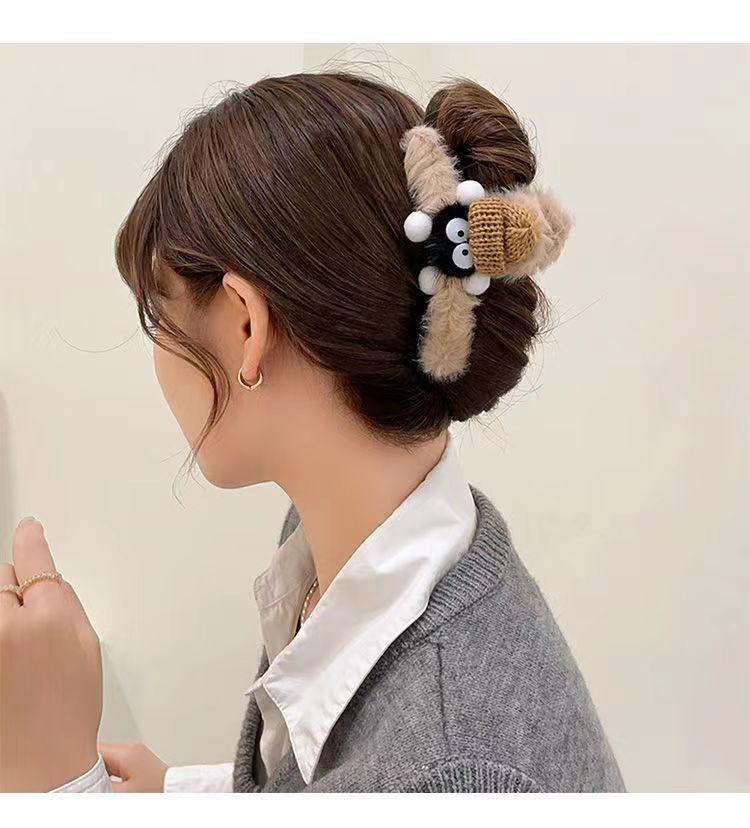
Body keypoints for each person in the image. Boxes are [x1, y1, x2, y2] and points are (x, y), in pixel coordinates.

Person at [0, 72, 625, 793]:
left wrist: (52, 784)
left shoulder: (452, 775)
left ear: (245, 326)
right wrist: (188, 794)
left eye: (160, 320)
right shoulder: (352, 531)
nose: (158, 357)